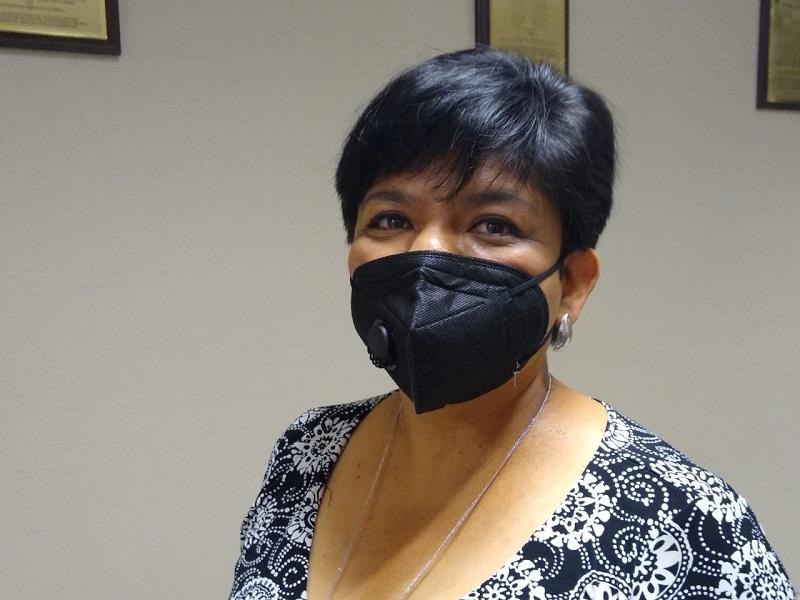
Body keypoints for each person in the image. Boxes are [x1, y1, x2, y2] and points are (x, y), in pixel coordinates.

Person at [229, 48, 796, 599]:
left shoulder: (684, 521)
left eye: (494, 225)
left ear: (573, 282)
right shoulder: (308, 452)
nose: (426, 252)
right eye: (392, 219)